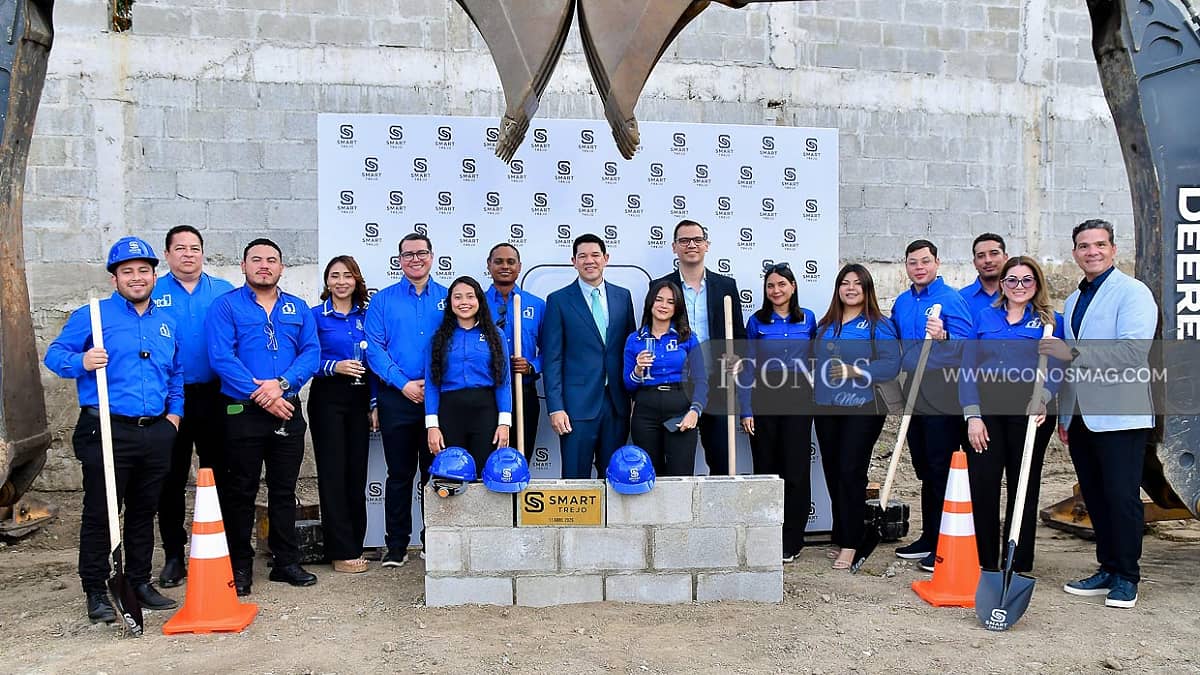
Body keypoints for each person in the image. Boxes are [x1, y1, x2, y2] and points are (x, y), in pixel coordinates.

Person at [45, 236, 183, 623]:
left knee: (144, 510)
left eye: (143, 270)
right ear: (114, 278)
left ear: (154, 275)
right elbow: (55, 355)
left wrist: (173, 417)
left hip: (154, 431)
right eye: (127, 272)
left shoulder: (166, 322)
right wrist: (83, 360)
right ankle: (96, 588)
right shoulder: (92, 316)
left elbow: (176, 373)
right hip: (106, 427)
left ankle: (138, 581)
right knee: (102, 512)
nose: (136, 278)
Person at [1040, 219, 1157, 609]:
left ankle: (1127, 576)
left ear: (1113, 250)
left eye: (1099, 245)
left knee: (1122, 497)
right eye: (1084, 246)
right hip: (1083, 417)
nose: (1092, 251)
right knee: (1096, 496)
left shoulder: (1133, 293)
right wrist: (1065, 416)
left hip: (1121, 416)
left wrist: (1069, 352)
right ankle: (1107, 566)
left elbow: (1132, 353)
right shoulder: (1074, 301)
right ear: (1075, 253)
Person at [206, 238, 320, 595]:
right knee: (241, 490)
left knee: (284, 491)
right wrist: (263, 395)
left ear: (281, 268)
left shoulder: (298, 308)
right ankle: (240, 567)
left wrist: (283, 385)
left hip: (287, 408)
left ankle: (286, 562)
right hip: (242, 412)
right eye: (256, 260)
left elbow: (311, 352)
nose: (264, 265)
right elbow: (221, 357)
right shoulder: (225, 307)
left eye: (272, 259)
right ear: (244, 266)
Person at [960, 256, 1063, 574]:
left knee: (1024, 484)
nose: (1019, 286)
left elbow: (1059, 367)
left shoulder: (1050, 321)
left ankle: (1017, 560)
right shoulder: (983, 317)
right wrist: (973, 416)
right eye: (1012, 280)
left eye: (1027, 280)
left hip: (1030, 410)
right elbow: (967, 370)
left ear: (1037, 283)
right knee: (984, 482)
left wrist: (1044, 398)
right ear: (1002, 283)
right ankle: (986, 560)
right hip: (987, 410)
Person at [150, 225, 235, 589]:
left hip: (217, 396)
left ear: (204, 253)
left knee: (223, 475)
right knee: (170, 479)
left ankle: (227, 549)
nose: (188, 254)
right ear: (167, 255)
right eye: (180, 248)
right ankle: (173, 554)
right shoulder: (152, 293)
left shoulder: (223, 292)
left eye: (195, 248)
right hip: (171, 399)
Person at [364, 232, 448, 566]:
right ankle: (396, 546)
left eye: (421, 253)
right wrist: (403, 384)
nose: (415, 259)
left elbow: (455, 343)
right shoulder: (382, 301)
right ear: (399, 260)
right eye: (408, 254)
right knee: (399, 475)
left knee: (437, 473)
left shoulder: (448, 298)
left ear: (432, 256)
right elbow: (375, 350)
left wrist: (432, 383)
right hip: (396, 398)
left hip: (438, 399)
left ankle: (435, 542)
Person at [890, 239, 974, 572]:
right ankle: (928, 536)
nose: (919, 267)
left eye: (925, 261)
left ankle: (942, 542)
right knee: (924, 466)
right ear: (907, 266)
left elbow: (969, 345)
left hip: (943, 387)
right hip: (913, 386)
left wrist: (944, 337)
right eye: (913, 262)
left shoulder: (950, 299)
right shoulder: (902, 302)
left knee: (940, 466)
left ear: (937, 263)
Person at [812, 264, 901, 570]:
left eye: (857, 283)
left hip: (862, 406)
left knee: (851, 471)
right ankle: (841, 534)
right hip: (826, 407)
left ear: (866, 289)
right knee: (834, 471)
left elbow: (891, 364)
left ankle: (852, 543)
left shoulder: (878, 324)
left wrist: (857, 371)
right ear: (838, 289)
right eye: (844, 283)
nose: (850, 288)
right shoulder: (825, 325)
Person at [650, 220, 746, 475]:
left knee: (723, 461)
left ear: (706, 245)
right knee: (678, 465)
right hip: (676, 385)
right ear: (674, 247)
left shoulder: (726, 287)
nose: (691, 245)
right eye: (684, 240)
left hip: (716, 383)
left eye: (697, 240)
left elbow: (738, 334)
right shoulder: (660, 287)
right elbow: (650, 334)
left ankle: (720, 515)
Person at [737, 262, 816, 562]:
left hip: (798, 401)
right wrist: (746, 409)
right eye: (771, 285)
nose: (776, 290)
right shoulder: (757, 321)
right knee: (768, 470)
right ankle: (766, 535)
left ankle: (793, 539)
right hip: (764, 401)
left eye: (782, 284)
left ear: (793, 286)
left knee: (796, 471)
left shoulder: (808, 320)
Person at [542, 233, 637, 479]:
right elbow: (552, 359)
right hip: (576, 407)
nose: (589, 261)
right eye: (582, 256)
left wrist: (635, 398)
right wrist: (556, 407)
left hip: (616, 404)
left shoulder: (623, 297)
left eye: (595, 255)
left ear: (606, 258)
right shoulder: (558, 300)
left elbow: (630, 350)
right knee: (575, 480)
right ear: (573, 261)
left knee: (615, 479)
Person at [309, 255, 377, 574]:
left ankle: (356, 543)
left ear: (356, 280)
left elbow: (375, 362)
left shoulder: (368, 315)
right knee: (333, 474)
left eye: (347, 275)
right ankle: (339, 550)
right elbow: (306, 359)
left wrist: (374, 404)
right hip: (328, 397)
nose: (340, 281)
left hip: (360, 397)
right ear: (327, 282)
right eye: (334, 275)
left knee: (356, 473)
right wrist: (333, 367)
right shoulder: (315, 317)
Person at [425, 276, 512, 471]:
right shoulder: (438, 338)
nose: (464, 302)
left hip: (485, 412)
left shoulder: (496, 335)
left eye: (470, 296)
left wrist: (504, 423)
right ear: (450, 303)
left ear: (479, 300)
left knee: (483, 473)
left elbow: (504, 382)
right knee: (452, 475)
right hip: (449, 412)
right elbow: (431, 385)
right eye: (458, 297)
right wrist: (432, 426)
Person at [623, 280, 707, 476]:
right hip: (645, 410)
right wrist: (637, 370)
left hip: (680, 406)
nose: (663, 305)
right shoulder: (634, 339)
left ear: (676, 307)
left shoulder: (687, 337)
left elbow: (701, 380)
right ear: (650, 303)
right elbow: (628, 385)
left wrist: (695, 411)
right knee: (649, 475)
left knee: (681, 475)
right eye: (659, 300)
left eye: (670, 302)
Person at [485, 243, 545, 462]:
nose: (505, 266)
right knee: (488, 461)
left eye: (511, 262)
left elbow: (551, 351)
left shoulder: (537, 305)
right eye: (498, 261)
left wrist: (532, 366)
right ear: (489, 265)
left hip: (523, 392)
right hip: (487, 395)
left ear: (519, 267)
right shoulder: (475, 304)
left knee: (519, 460)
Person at [960, 233, 1009, 320]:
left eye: (994, 254)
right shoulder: (961, 299)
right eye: (981, 256)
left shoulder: (1019, 295)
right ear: (974, 262)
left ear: (1005, 258)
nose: (988, 260)